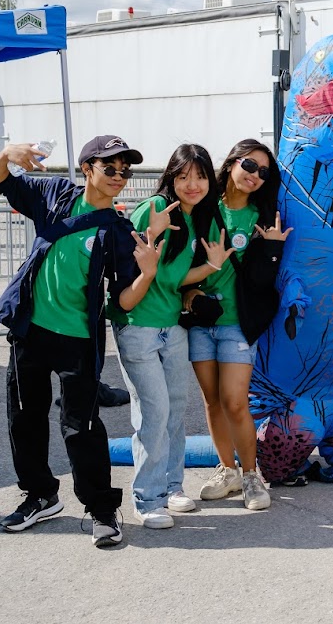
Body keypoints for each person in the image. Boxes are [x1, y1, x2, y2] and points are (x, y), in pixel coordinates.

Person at [0, 135, 162, 548]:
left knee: (80, 425)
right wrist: (6, 155)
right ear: (88, 169)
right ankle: (40, 496)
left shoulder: (119, 230)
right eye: (110, 168)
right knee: (24, 417)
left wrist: (147, 273)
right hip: (30, 329)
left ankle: (102, 510)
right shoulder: (55, 195)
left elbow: (122, 299)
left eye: (125, 171)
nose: (119, 177)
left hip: (79, 340)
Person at [109, 144, 217, 530]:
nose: (193, 184)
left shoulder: (194, 219)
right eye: (184, 176)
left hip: (172, 326)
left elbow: (169, 278)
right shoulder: (155, 209)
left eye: (201, 176)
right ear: (171, 177)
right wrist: (147, 236)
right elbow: (132, 266)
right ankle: (147, 498)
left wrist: (211, 265)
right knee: (153, 410)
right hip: (137, 324)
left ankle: (172, 485)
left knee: (174, 406)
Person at [183, 139, 288, 511]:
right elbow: (182, 263)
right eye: (249, 165)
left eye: (263, 171)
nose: (255, 175)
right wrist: (190, 294)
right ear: (231, 164)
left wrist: (272, 248)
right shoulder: (202, 208)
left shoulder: (263, 215)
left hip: (236, 324)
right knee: (212, 402)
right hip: (200, 321)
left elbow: (260, 283)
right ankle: (226, 470)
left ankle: (250, 475)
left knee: (235, 401)